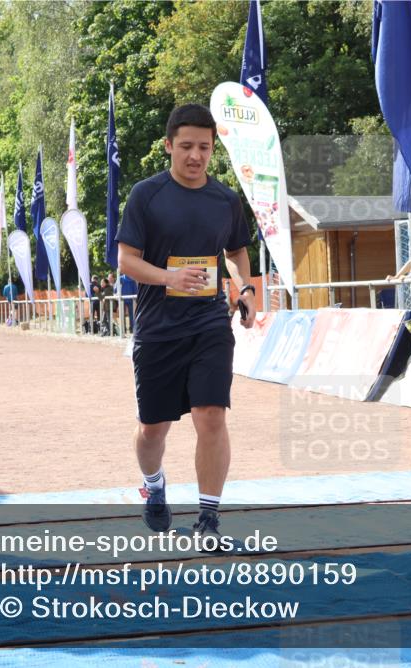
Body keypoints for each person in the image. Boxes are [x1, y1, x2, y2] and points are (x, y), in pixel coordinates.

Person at [116, 103, 256, 546]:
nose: (195, 156)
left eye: (204, 147)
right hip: (158, 329)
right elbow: (126, 261)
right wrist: (169, 277)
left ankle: (209, 520)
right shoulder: (146, 195)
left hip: (210, 323)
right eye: (186, 147)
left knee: (211, 415)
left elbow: (236, 251)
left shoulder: (226, 200)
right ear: (169, 147)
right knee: (153, 428)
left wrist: (246, 290)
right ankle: (154, 485)